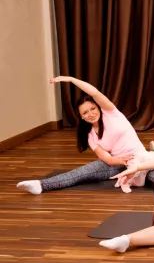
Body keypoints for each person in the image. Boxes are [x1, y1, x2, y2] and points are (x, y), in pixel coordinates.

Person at [16, 76, 146, 195]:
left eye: (93, 109)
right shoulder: (89, 135)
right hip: (116, 163)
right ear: (82, 117)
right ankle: (41, 185)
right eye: (85, 113)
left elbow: (94, 92)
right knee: (80, 173)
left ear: (98, 107)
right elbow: (107, 159)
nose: (91, 114)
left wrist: (71, 80)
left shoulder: (111, 113)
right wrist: (121, 160)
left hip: (141, 158)